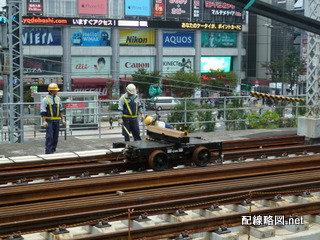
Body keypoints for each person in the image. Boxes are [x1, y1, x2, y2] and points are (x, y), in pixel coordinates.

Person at [40, 83, 66, 154]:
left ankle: (53, 150)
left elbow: (60, 110)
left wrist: (62, 119)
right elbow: (43, 111)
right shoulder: (45, 99)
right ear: (51, 91)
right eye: (56, 90)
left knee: (55, 137)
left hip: (56, 120)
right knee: (50, 137)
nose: (57, 92)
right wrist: (44, 121)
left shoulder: (58, 99)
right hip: (49, 121)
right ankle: (48, 152)